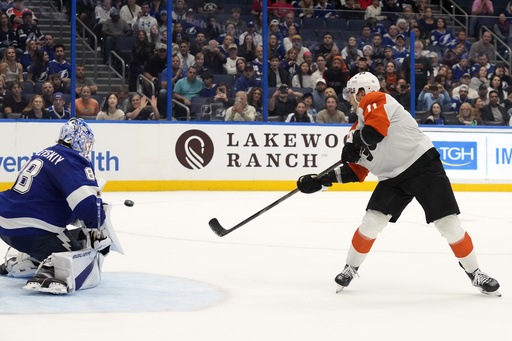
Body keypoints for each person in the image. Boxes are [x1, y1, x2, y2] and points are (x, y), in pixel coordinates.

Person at [296, 72, 501, 296]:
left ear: (363, 92)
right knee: (371, 222)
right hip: (392, 179)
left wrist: (357, 142)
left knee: (448, 225)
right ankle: (350, 268)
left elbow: (375, 133)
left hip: (423, 168)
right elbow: (356, 171)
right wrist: (321, 181)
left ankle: (476, 273)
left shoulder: (378, 100)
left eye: (351, 93)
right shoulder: (354, 131)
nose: (348, 98)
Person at [0, 118, 118, 294]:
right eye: (86, 142)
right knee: (82, 257)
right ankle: (51, 270)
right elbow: (86, 205)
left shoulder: (46, 152)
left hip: (6, 222)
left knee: (60, 235)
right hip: (31, 228)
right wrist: (97, 226)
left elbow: (47, 196)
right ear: (77, 140)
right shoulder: (72, 159)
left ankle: (21, 262)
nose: (87, 148)